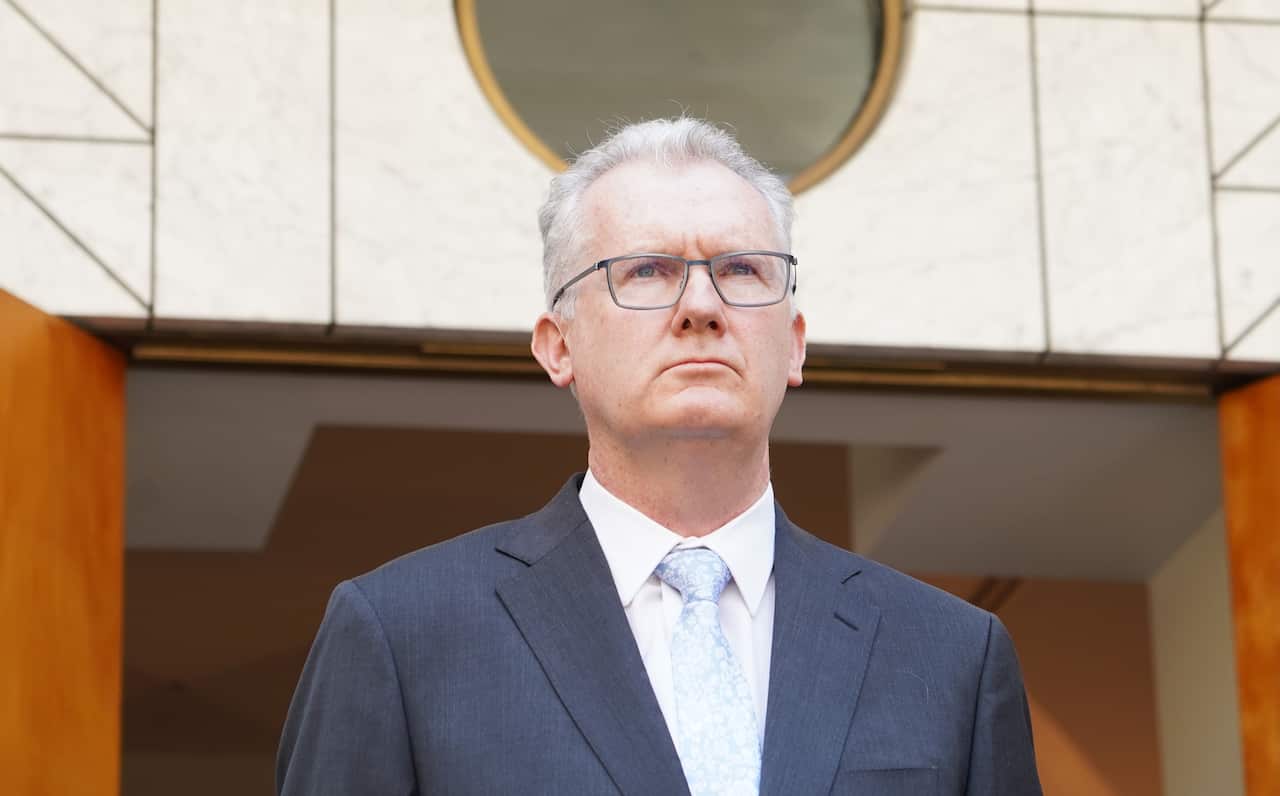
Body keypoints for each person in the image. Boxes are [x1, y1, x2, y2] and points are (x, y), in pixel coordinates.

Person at [276, 118, 1042, 795]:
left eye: (741, 270)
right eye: (647, 271)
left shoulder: (951, 657)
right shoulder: (402, 634)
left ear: (796, 344)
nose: (702, 307)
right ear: (559, 345)